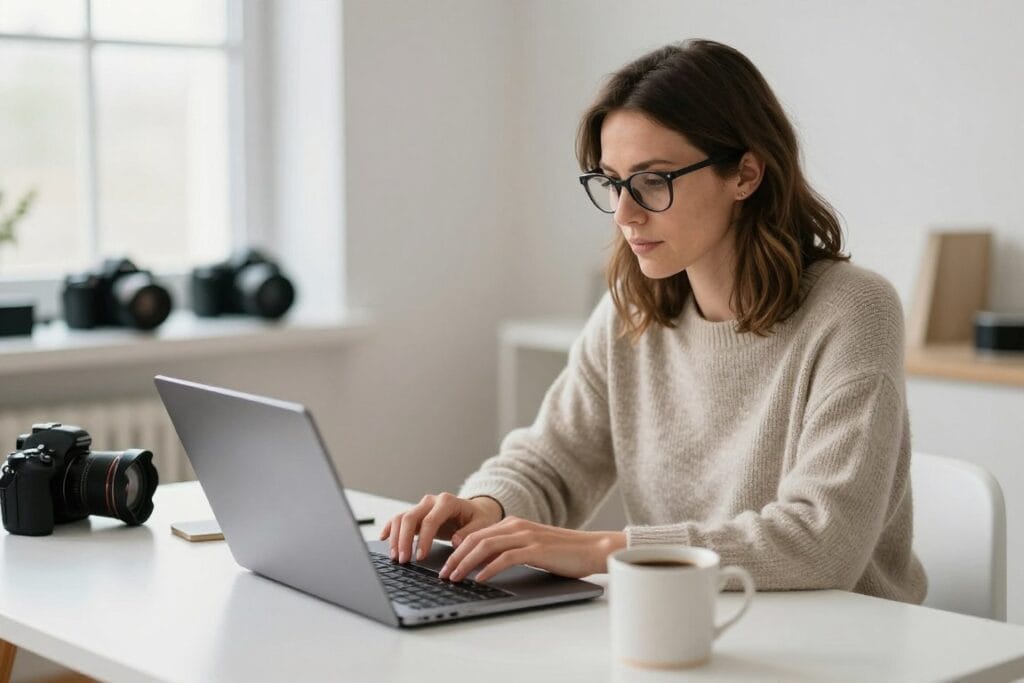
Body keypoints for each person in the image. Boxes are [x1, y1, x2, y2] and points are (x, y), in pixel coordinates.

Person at [380, 39, 927, 603]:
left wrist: (602, 552)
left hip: (845, 639)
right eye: (612, 182)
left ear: (745, 174)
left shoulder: (854, 310)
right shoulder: (631, 305)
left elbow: (822, 540)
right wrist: (485, 509)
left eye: (652, 180)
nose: (624, 213)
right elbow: (553, 461)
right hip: (683, 623)